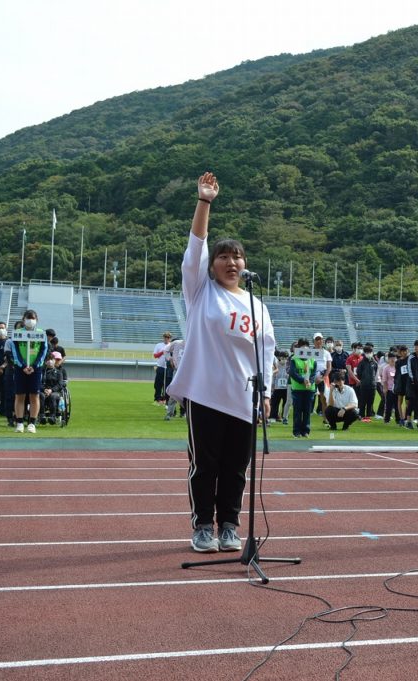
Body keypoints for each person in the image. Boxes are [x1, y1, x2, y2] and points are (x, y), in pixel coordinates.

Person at [166, 172, 275, 554]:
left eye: (237, 256)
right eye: (224, 256)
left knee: (236, 469)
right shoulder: (200, 291)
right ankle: (203, 526)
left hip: (243, 397)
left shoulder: (256, 303)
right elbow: (195, 246)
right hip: (205, 394)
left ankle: (230, 525)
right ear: (212, 265)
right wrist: (204, 202)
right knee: (205, 466)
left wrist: (265, 395)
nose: (232, 262)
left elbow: (266, 351)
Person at [11, 310, 47, 433]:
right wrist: (22, 366)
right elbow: (14, 351)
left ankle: (32, 423)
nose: (30, 320)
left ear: (37, 320)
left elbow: (43, 351)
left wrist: (35, 365)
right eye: (28, 318)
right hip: (20, 368)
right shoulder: (17, 333)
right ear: (23, 319)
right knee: (20, 395)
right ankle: (20, 423)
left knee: (34, 395)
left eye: (33, 318)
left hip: (35, 369)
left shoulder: (41, 334)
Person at [289, 338, 318, 438]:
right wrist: (302, 380)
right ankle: (296, 432)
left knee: (307, 411)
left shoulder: (312, 359)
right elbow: (293, 373)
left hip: (309, 389)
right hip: (297, 389)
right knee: (297, 410)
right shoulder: (294, 359)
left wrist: (310, 381)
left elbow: (314, 373)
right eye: (302, 345)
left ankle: (305, 431)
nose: (305, 347)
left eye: (306, 345)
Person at [153, 331, 172, 404]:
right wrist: (162, 352)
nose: (166, 339)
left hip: (169, 368)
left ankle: (166, 398)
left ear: (170, 338)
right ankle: (157, 398)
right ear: (163, 338)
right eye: (165, 337)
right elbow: (155, 356)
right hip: (160, 367)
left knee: (167, 384)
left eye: (168, 337)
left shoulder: (171, 345)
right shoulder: (158, 345)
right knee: (158, 383)